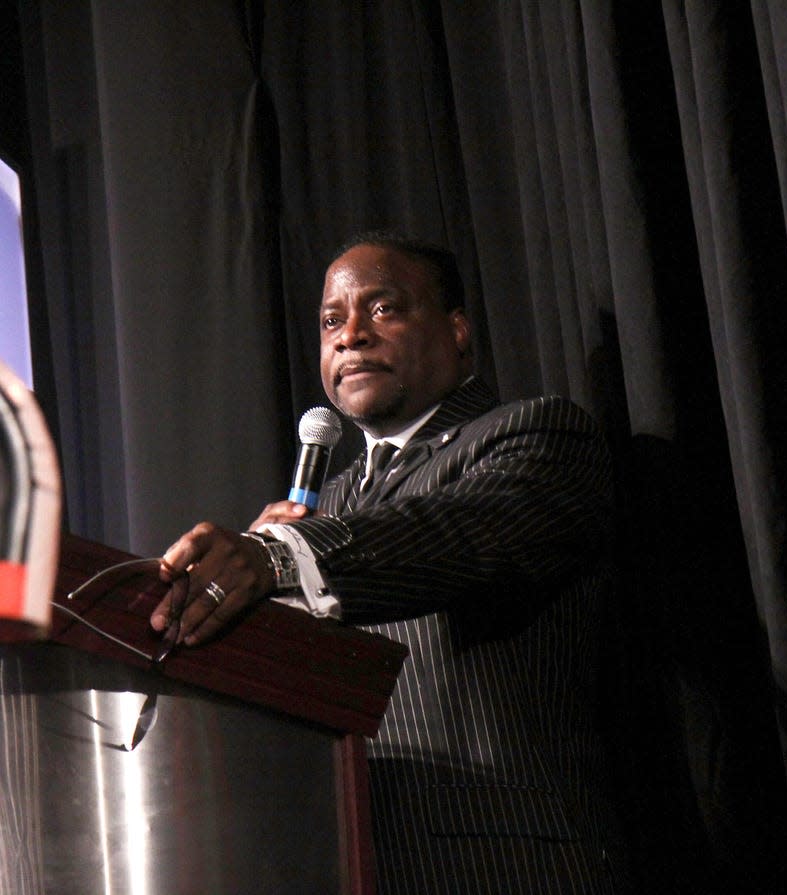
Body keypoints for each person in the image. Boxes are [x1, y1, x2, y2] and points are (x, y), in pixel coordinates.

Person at [151, 232, 630, 894]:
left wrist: (284, 557)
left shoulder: (536, 436)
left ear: (457, 331)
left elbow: (449, 533)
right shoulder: (329, 503)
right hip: (351, 863)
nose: (349, 335)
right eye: (330, 321)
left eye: (382, 309)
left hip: (506, 864)